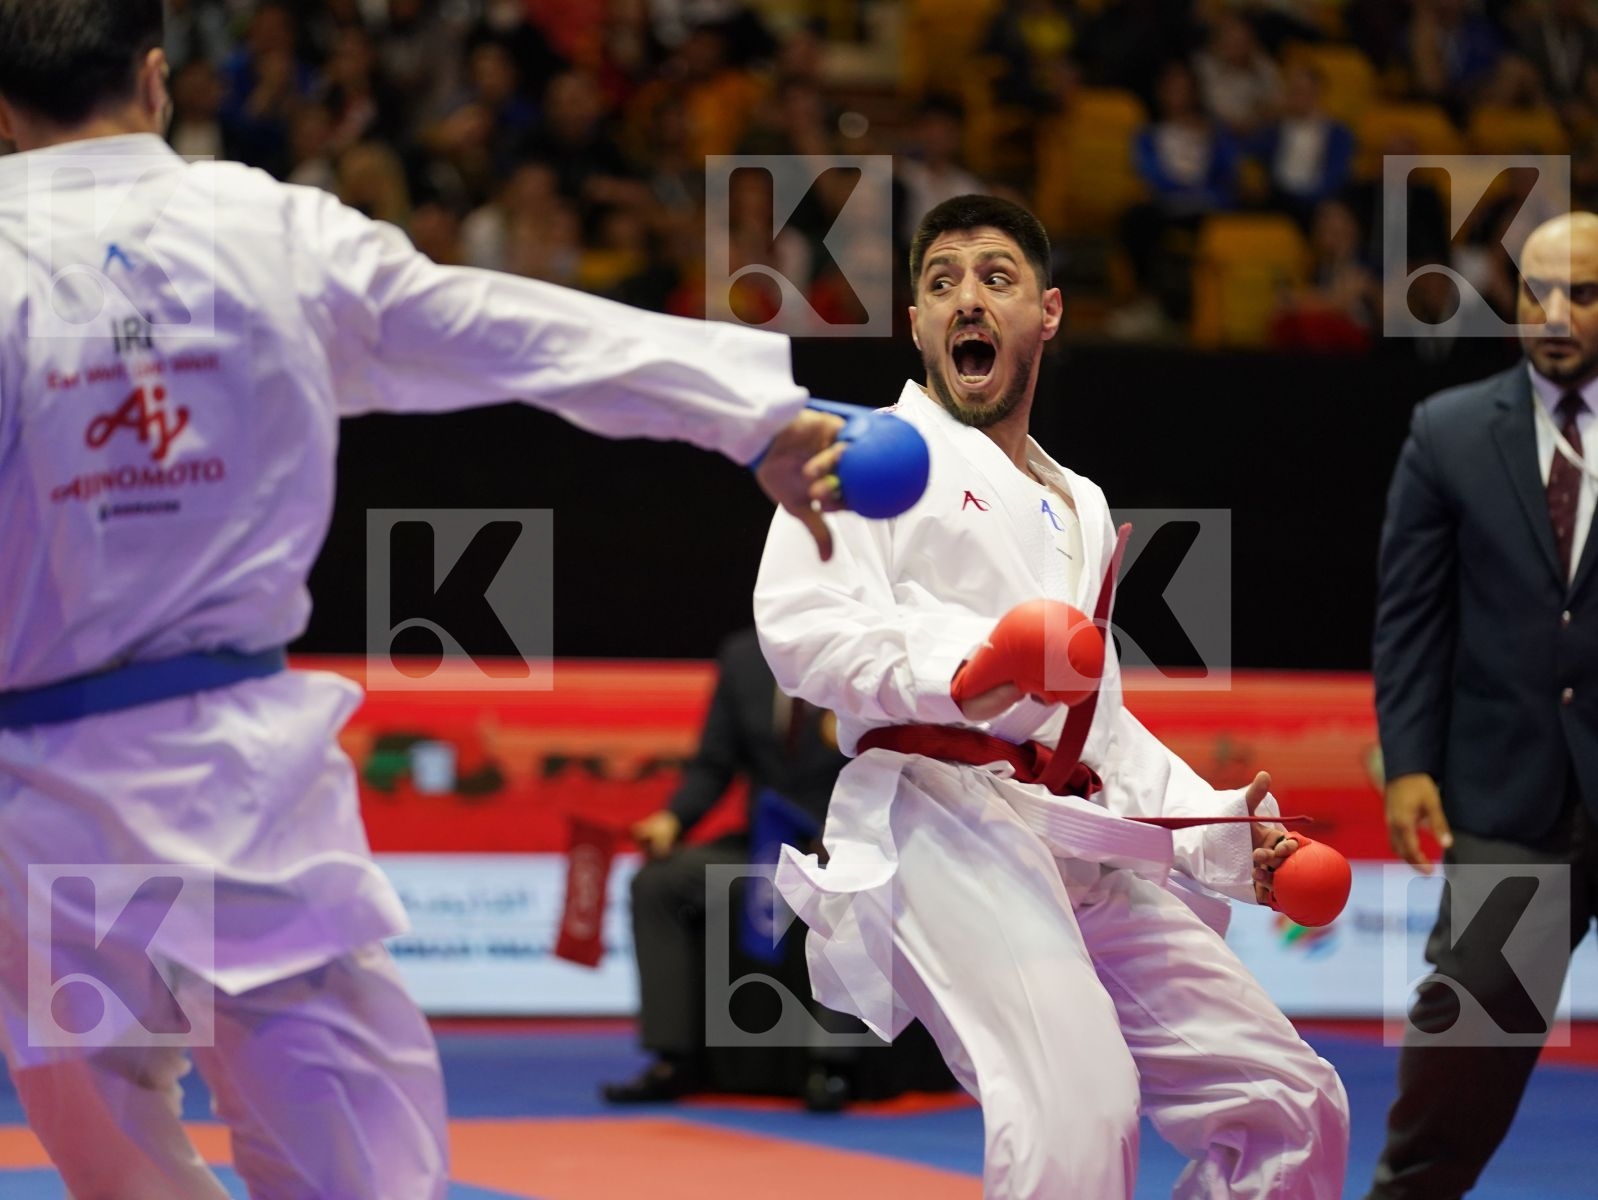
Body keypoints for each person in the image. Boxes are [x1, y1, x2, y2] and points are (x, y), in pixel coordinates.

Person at [0, 2, 864, 1197]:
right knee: (350, 1145)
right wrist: (750, 416)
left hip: (38, 806)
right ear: (155, 81)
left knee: (112, 1142)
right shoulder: (265, 229)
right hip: (235, 788)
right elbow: (500, 329)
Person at [754, 193, 1349, 1197]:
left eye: (996, 277)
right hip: (941, 820)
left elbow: (1097, 731)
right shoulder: (869, 457)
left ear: (1049, 312)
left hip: (1070, 834)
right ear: (916, 323)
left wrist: (1223, 835)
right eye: (941, 283)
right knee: (1076, 1110)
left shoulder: (1080, 501)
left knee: (1289, 1103)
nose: (967, 299)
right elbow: (800, 628)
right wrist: (970, 668)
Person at [1368, 211, 1598, 1198]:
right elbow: (1410, 618)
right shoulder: (1449, 430)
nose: (1553, 312)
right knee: (1464, 1046)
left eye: (1581, 293)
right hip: (1508, 791)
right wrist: (1409, 762)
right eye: (1534, 291)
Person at [601, 627, 848, 1106]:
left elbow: (898, 761)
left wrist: (858, 834)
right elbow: (713, 764)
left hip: (848, 844)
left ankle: (830, 1066)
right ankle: (673, 1059)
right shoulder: (743, 657)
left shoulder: (871, 651)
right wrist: (673, 819)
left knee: (850, 888)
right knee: (658, 882)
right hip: (763, 845)